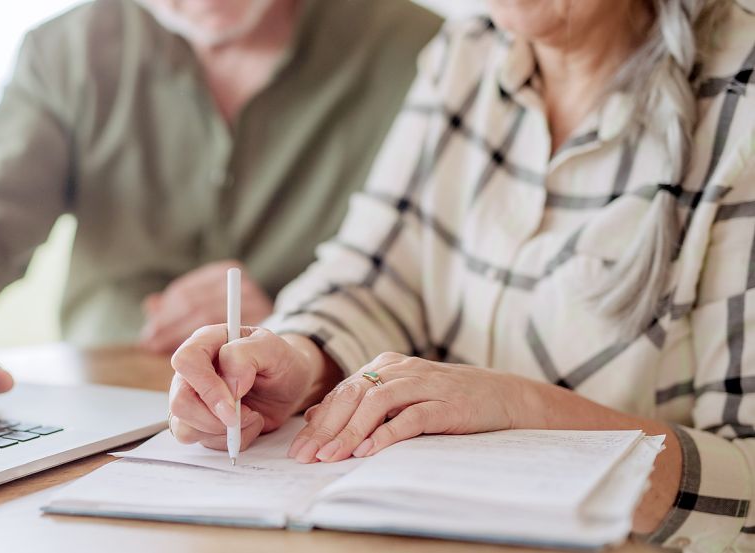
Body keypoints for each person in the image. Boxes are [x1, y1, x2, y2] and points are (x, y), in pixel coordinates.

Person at [168, 0, 755, 549]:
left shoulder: (741, 99)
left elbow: (747, 485)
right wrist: (297, 361)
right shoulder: (467, 50)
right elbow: (370, 277)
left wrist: (520, 407)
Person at [0, 0, 442, 415]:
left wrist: (297, 318)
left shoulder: (427, 54)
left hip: (314, 419)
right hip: (93, 413)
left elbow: (448, 294)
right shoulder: (68, 49)